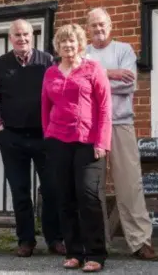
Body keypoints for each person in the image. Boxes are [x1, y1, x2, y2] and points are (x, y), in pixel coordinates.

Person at [0, 19, 64, 258]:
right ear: (11, 39)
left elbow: (57, 96)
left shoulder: (48, 61)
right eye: (17, 35)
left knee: (51, 189)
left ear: (33, 36)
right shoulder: (1, 64)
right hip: (12, 137)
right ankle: (26, 240)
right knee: (20, 191)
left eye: (26, 34)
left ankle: (54, 238)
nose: (22, 38)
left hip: (44, 136)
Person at [85, 8, 158, 260]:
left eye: (102, 24)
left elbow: (129, 84)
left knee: (130, 184)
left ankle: (140, 242)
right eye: (93, 25)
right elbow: (81, 85)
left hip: (120, 123)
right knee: (93, 189)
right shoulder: (84, 53)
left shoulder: (124, 50)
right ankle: (98, 243)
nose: (98, 29)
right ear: (88, 28)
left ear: (110, 25)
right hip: (90, 128)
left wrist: (97, 78)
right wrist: (109, 73)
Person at [42, 24, 112, 272]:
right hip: (58, 141)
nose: (68, 46)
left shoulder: (93, 69)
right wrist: (48, 136)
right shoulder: (51, 73)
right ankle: (74, 251)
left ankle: (95, 253)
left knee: (88, 196)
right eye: (63, 42)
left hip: (88, 141)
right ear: (57, 47)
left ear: (80, 44)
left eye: (72, 42)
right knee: (65, 197)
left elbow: (105, 108)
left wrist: (103, 141)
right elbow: (45, 108)